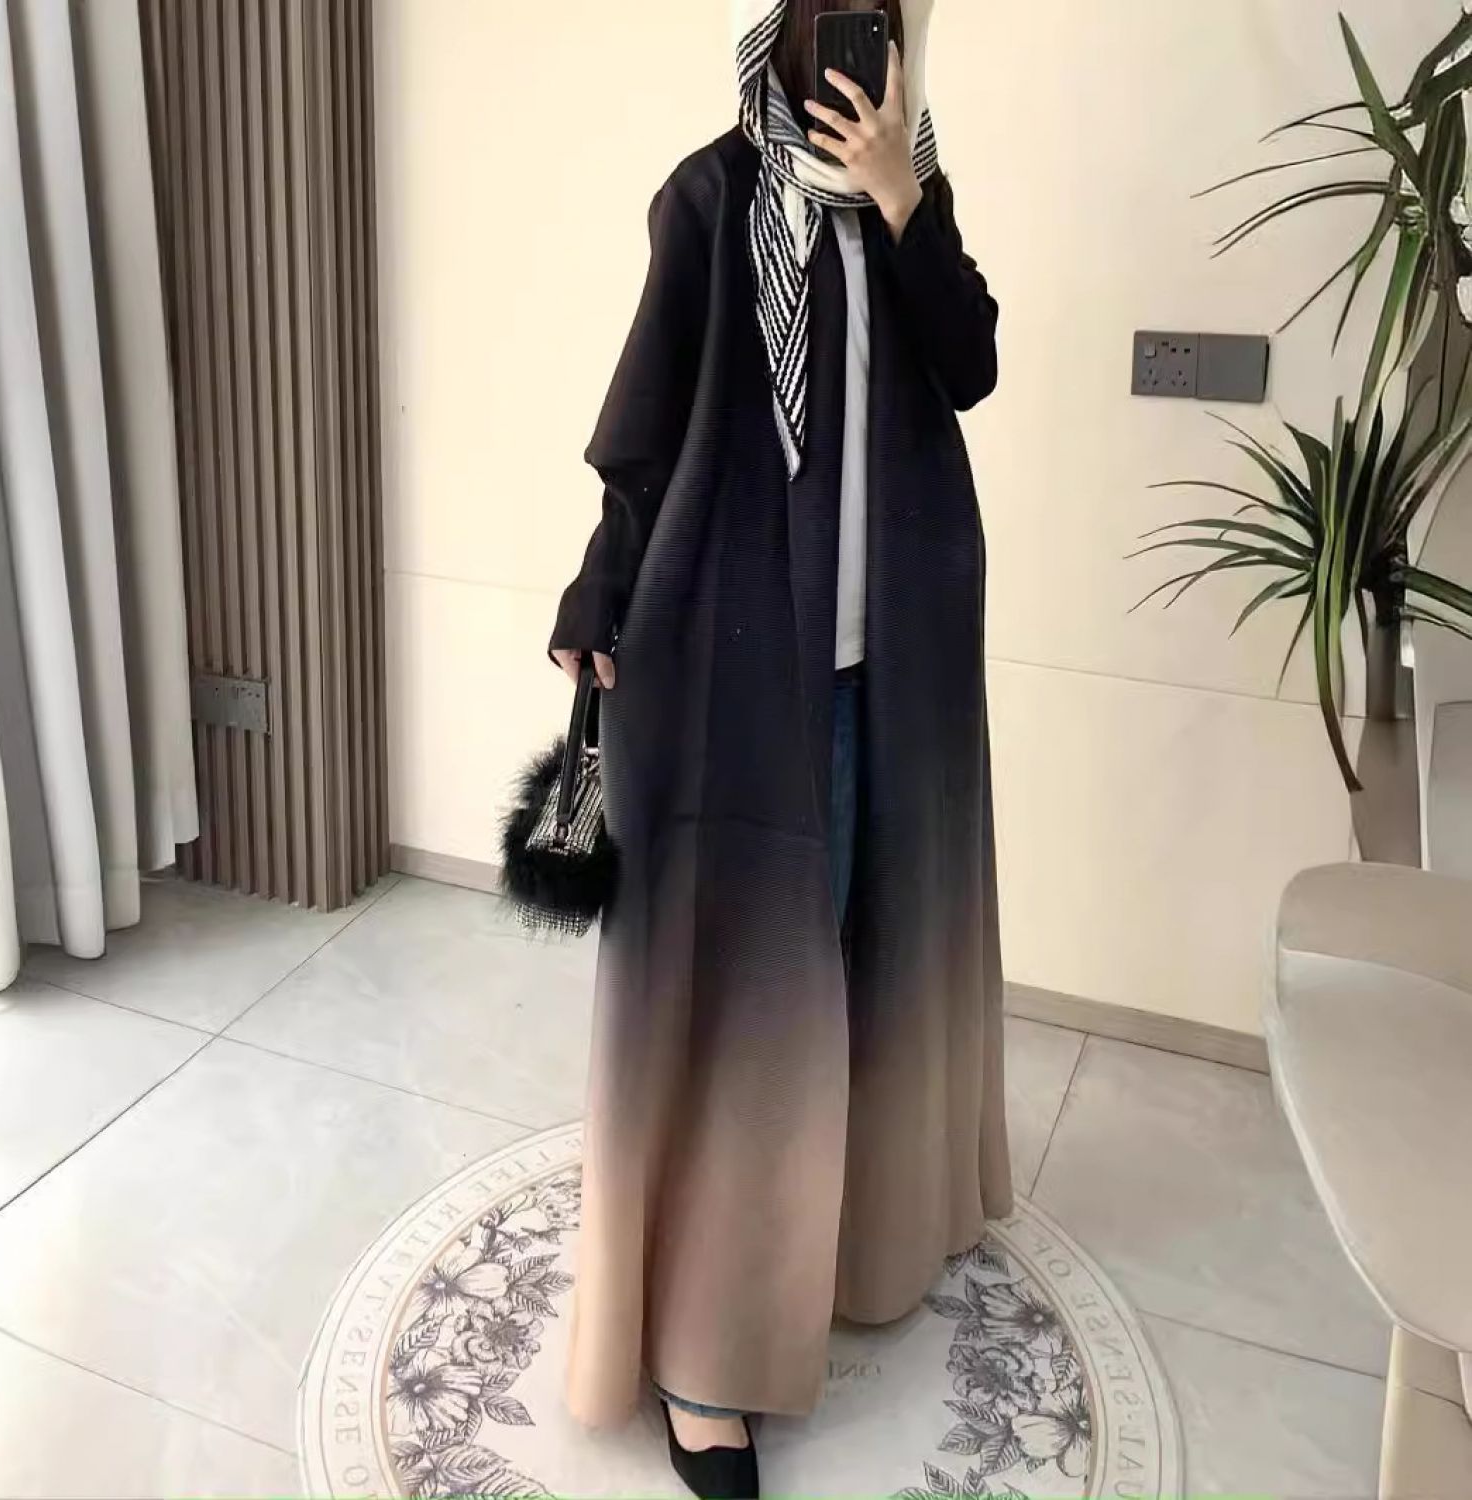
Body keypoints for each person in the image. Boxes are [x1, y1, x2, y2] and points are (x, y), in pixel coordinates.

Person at [549, 1, 1009, 1493]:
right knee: (748, 993)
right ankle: (705, 1360)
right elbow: (643, 431)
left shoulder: (909, 197)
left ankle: (848, 1241)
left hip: (895, 664)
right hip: (741, 664)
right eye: (836, 21)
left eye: (886, 26)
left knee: (869, 956)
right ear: (785, 31)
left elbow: (969, 366)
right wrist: (598, 592)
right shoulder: (710, 197)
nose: (861, 55)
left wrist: (903, 199)